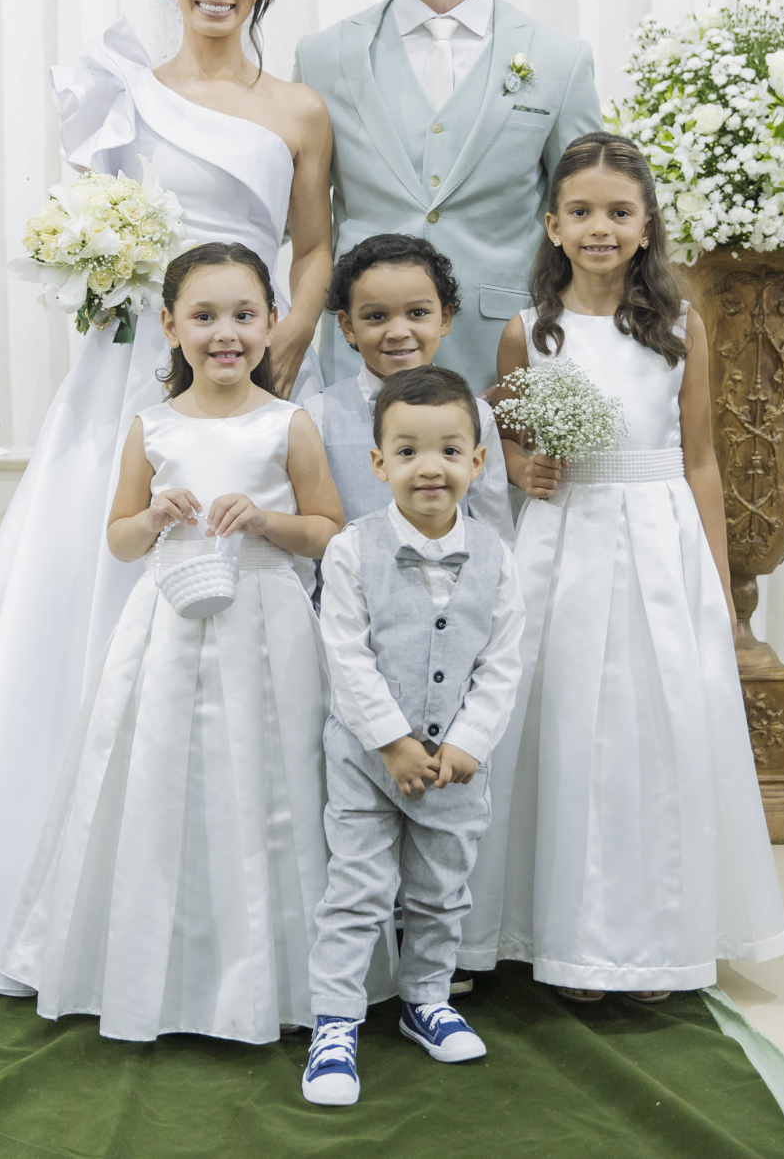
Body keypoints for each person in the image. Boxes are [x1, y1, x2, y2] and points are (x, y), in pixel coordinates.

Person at [0, 0, 333, 999]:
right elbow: (89, 226)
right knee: (88, 595)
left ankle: (241, 912)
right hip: (130, 373)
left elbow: (314, 247)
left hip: (248, 370)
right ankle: (40, 893)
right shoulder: (121, 94)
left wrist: (291, 332)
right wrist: (103, 276)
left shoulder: (299, 110)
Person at [458, 133, 784, 1000]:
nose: (599, 227)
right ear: (552, 226)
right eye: (581, 212)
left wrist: (717, 585)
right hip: (565, 543)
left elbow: (701, 460)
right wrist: (528, 468)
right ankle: (566, 937)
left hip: (657, 538)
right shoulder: (528, 333)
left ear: (646, 227)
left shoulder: (682, 327)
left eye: (618, 212)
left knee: (657, 728)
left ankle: (656, 941)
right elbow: (513, 449)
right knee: (567, 729)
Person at [2, 244, 342, 1042]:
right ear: (169, 326)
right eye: (204, 316)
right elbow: (118, 539)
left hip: (267, 619)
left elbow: (328, 531)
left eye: (244, 316)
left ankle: (274, 976)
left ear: (270, 324)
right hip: (167, 625)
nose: (226, 334)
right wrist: (153, 519)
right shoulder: (150, 426)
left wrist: (264, 520)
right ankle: (151, 974)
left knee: (269, 783)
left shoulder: (287, 423)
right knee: (161, 775)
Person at [292, 0, 602, 395]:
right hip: (362, 363)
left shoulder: (560, 61)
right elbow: (306, 231)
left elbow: (587, 221)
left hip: (505, 362)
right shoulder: (322, 58)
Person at [301, 365, 525, 1107]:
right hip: (368, 764)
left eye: (449, 451)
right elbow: (347, 657)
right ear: (378, 464)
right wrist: (393, 742)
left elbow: (502, 663)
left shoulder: (497, 556)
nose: (430, 467)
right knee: (356, 891)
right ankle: (334, 1022)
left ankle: (427, 1000)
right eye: (407, 452)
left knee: (439, 892)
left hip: (457, 771)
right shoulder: (350, 551)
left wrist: (468, 745)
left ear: (477, 460)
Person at [303, 233, 513, 543]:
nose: (399, 332)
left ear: (445, 317)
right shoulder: (317, 415)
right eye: (376, 316)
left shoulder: (477, 414)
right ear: (348, 327)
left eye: (417, 313)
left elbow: (494, 527)